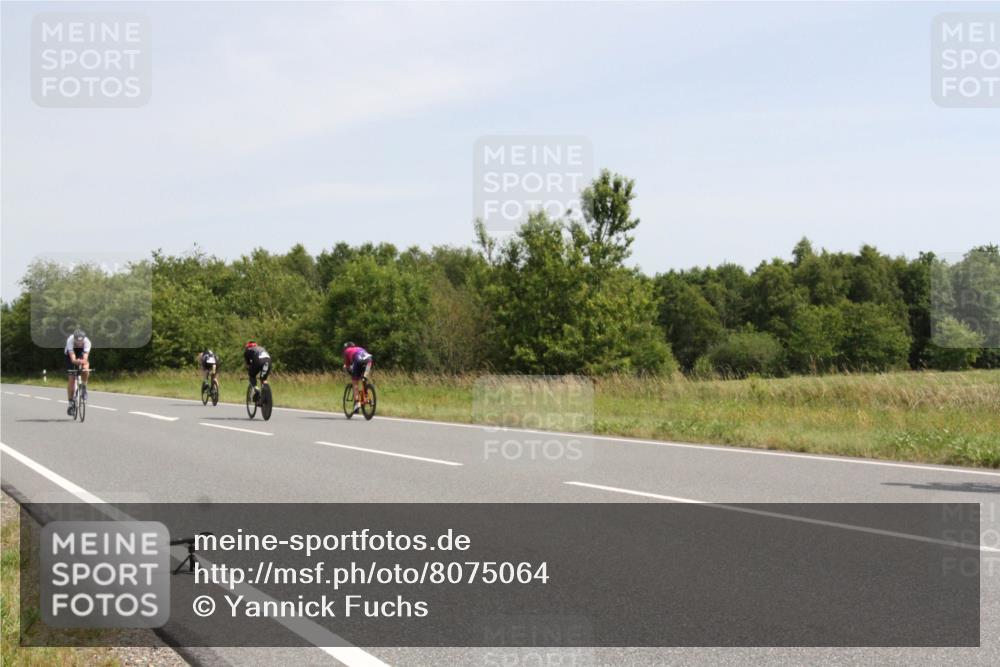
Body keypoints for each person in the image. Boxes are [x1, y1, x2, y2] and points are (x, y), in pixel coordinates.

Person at [65, 329, 91, 416]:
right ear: (74, 338)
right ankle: (70, 403)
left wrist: (82, 362)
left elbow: (85, 357)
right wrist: (76, 361)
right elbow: (72, 357)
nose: (79, 343)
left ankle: (84, 386)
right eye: (77, 341)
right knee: (71, 379)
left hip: (81, 352)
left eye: (81, 341)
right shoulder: (70, 340)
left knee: (86, 368)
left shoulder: (87, 342)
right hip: (70, 354)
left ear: (84, 339)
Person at [342, 342, 373, 414]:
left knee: (355, 383)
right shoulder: (360, 348)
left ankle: (357, 403)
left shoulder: (347, 351)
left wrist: (347, 371)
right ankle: (365, 398)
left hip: (358, 361)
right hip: (369, 360)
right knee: (363, 379)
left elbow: (347, 365)